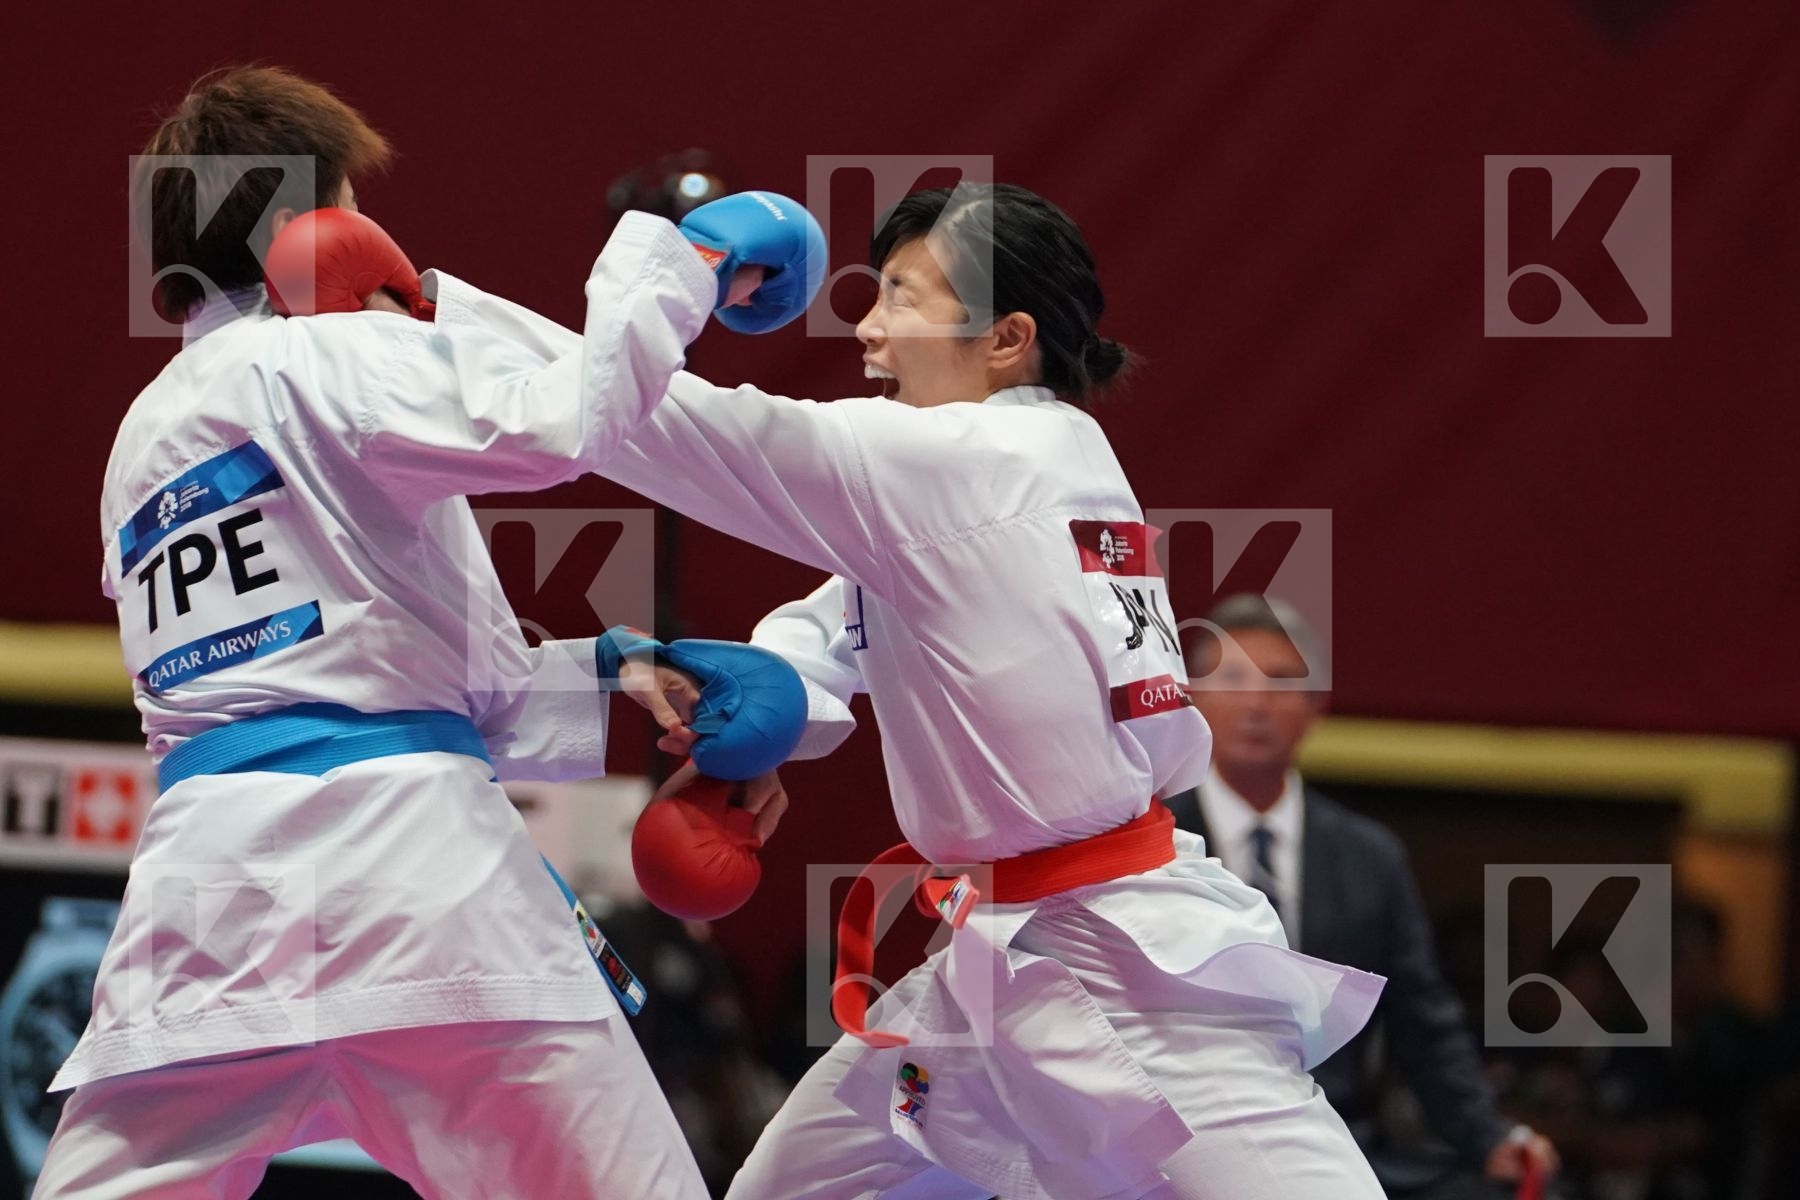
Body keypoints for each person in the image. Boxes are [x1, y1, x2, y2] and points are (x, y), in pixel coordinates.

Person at [451, 181, 1392, 1199]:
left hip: (1131, 969)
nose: (866, 328)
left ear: (1006, 339)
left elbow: (670, 431)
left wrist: (432, 317)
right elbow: (853, 615)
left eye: (901, 295)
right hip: (989, 965)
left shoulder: (968, 461)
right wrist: (768, 707)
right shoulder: (1036, 458)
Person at [38, 65, 815, 1199]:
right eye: (354, 202)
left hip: (207, 905)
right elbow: (566, 423)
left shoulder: (142, 437)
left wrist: (611, 669)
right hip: (420, 882)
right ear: (313, 227)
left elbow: (357, 675)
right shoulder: (328, 353)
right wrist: (683, 266)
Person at [1165, 593, 1560, 1198]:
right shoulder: (1151, 840)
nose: (1256, 702)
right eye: (1233, 679)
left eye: (1281, 681)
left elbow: (1422, 1021)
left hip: (1339, 1138)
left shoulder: (1369, 858)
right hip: (1185, 1140)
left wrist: (1487, 1137)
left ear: (1316, 707)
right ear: (1192, 698)